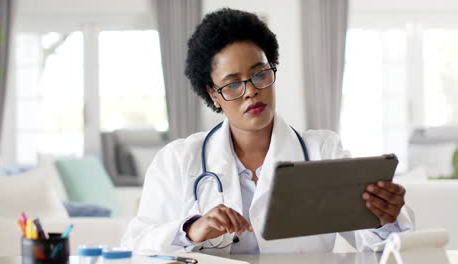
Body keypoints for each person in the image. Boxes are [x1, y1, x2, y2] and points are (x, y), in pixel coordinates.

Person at [121, 8, 414, 254]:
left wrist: (384, 219)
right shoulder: (178, 159)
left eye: (259, 74)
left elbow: (380, 248)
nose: (250, 92)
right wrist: (191, 230)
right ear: (213, 94)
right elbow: (134, 247)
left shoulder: (322, 151)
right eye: (233, 83)